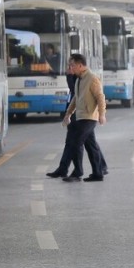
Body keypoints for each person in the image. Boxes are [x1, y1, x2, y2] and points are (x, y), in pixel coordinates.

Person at [47, 53, 106, 183]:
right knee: (91, 146)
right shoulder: (79, 79)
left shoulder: (92, 79)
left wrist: (102, 114)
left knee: (75, 143)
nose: (70, 68)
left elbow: (100, 97)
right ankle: (98, 173)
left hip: (89, 117)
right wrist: (68, 114)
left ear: (80, 65)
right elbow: (75, 98)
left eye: (72, 65)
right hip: (80, 116)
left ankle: (77, 172)